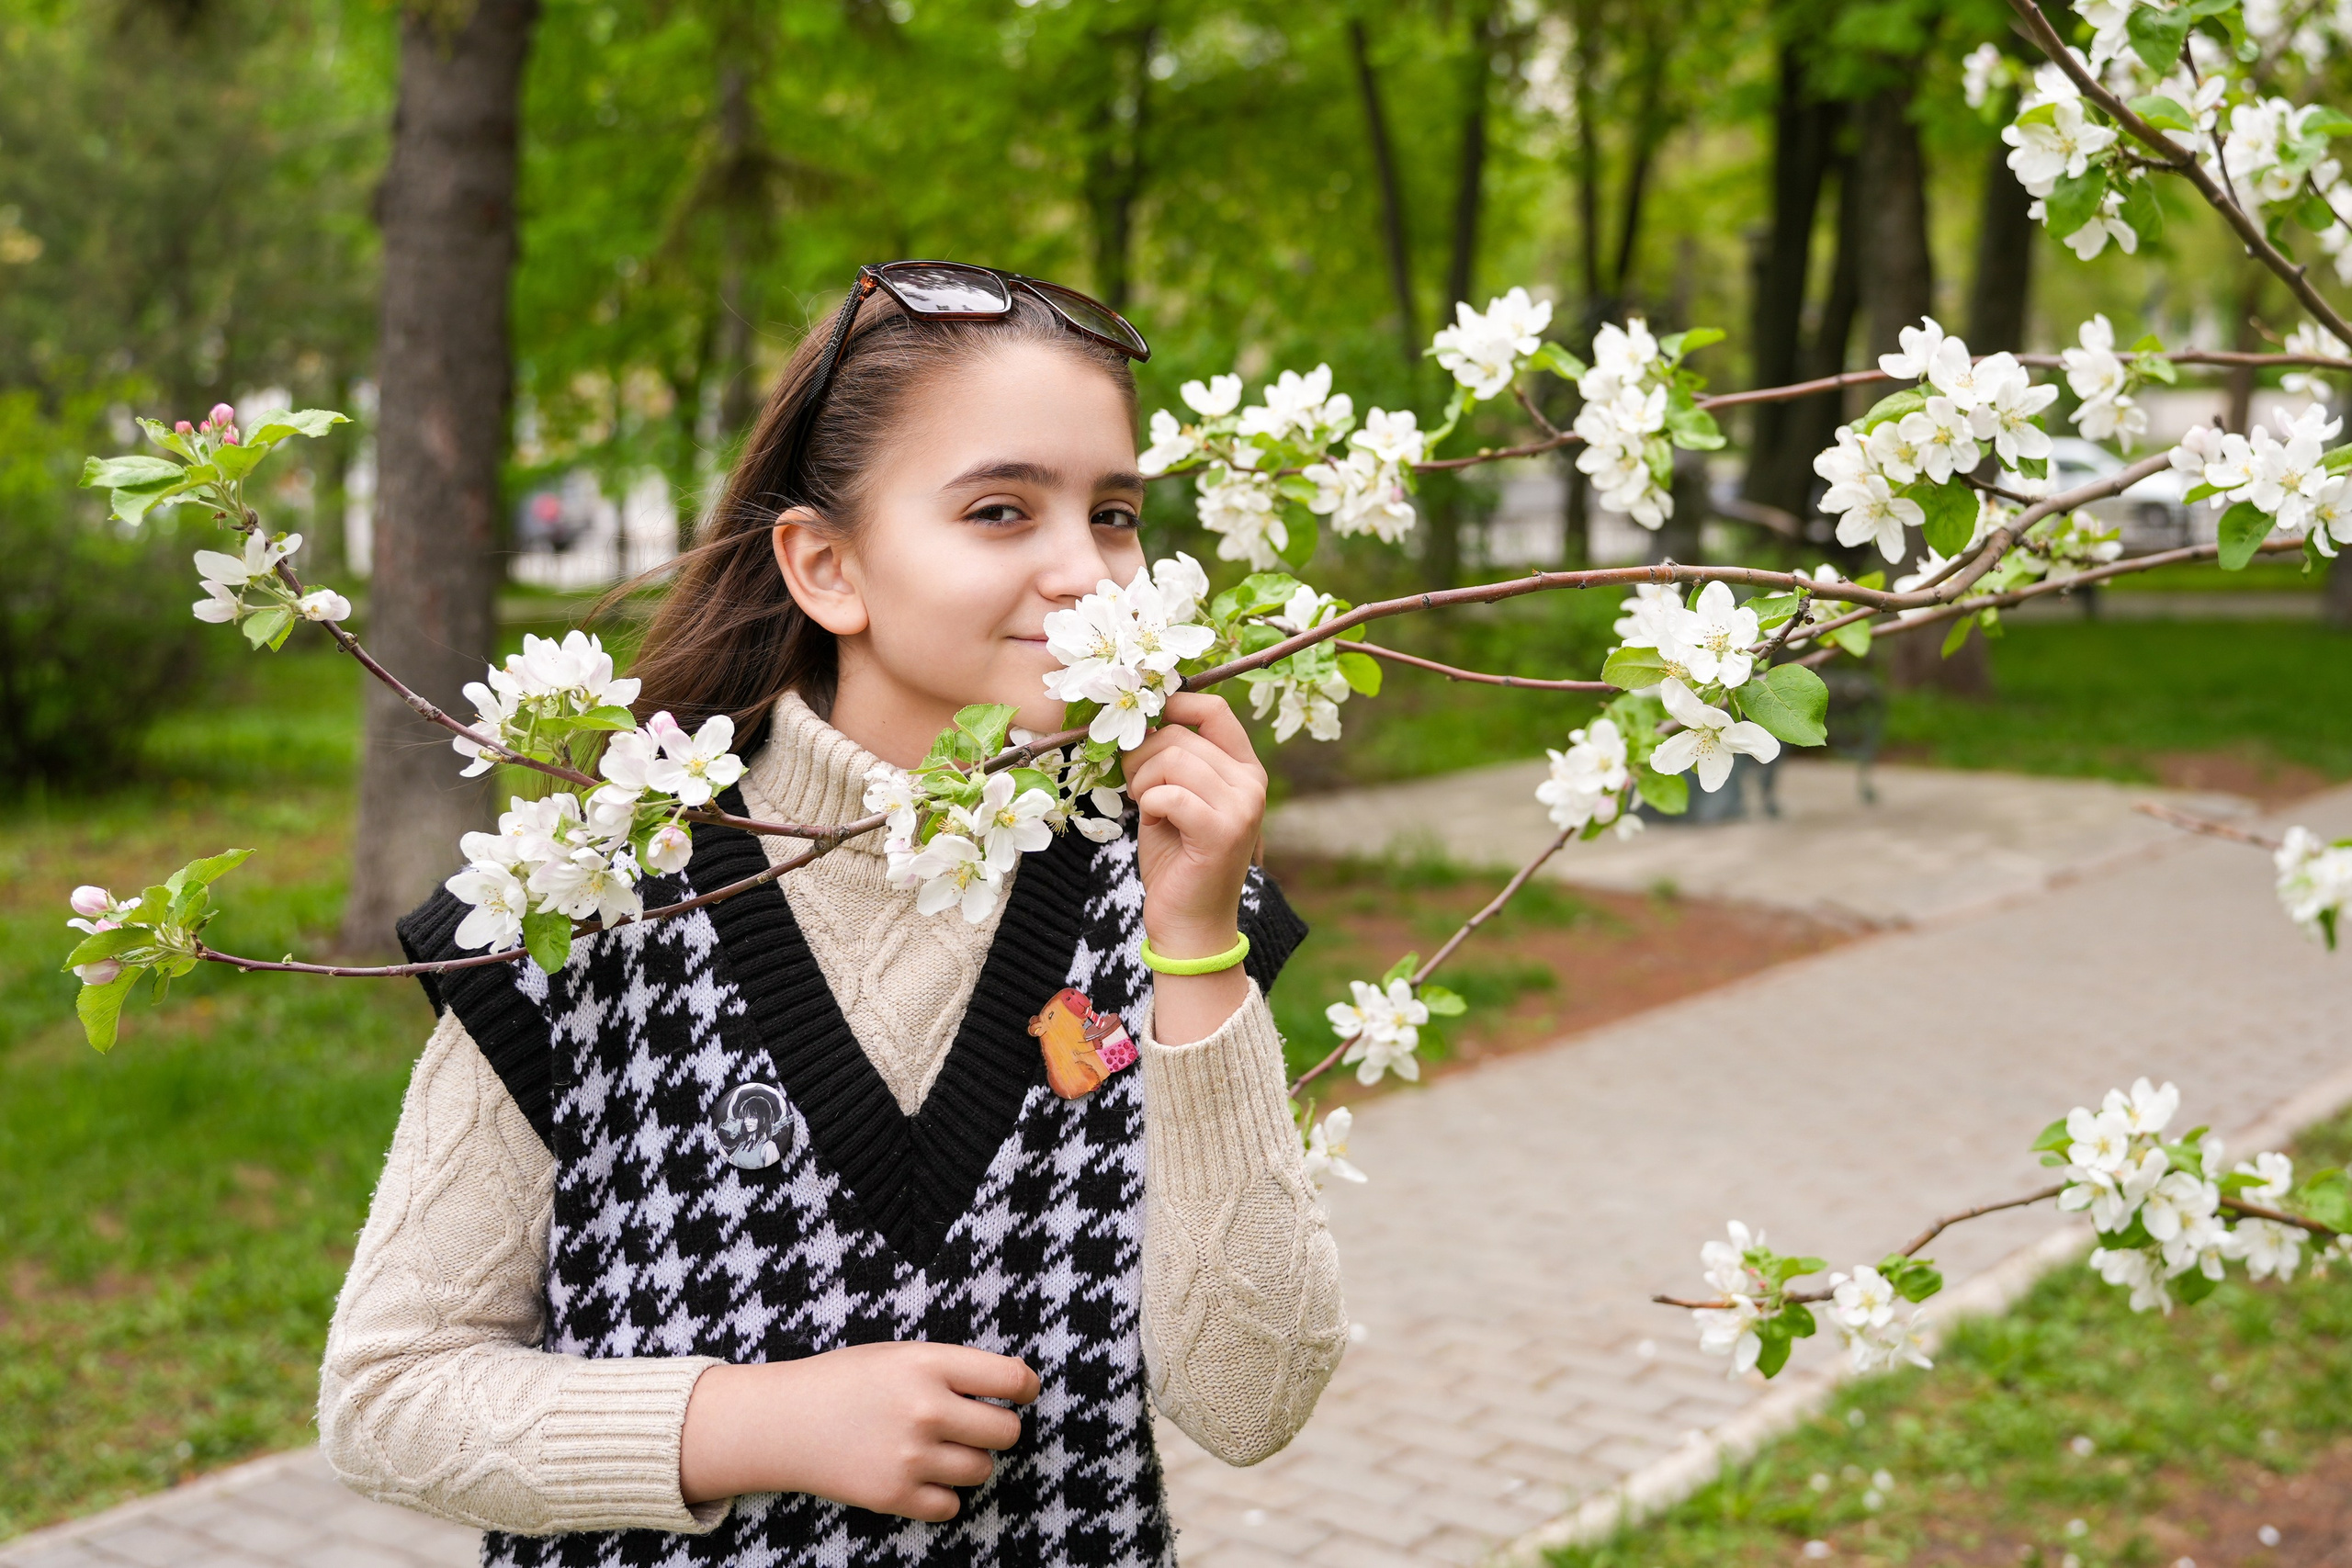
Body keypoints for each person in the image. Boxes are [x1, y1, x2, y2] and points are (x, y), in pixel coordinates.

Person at [317, 263, 1348, 1568]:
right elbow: (388, 1397)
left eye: (1116, 512)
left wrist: (1196, 944)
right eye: (998, 509)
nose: (1088, 573)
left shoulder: (1156, 897)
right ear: (826, 567)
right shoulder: (585, 905)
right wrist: (760, 1422)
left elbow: (1252, 1403)